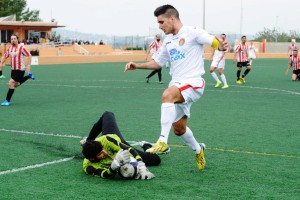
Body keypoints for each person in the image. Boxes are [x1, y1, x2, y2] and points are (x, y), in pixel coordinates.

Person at [124, 5, 228, 171]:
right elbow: (158, 62)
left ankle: (162, 142)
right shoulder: (168, 41)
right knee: (179, 129)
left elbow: (212, 41)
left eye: (161, 22)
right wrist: (137, 66)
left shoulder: (192, 32)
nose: (159, 26)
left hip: (193, 83)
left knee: (167, 95)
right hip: (178, 84)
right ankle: (198, 149)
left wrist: (221, 45)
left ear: (172, 19)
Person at [81, 111, 160, 179]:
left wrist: (141, 165)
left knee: (156, 159)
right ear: (92, 159)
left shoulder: (106, 141)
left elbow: (129, 149)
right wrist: (112, 168)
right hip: (113, 160)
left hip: (118, 143)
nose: (104, 153)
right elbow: (103, 174)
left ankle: (88, 140)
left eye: (103, 150)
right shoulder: (88, 166)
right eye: (100, 154)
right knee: (155, 159)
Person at [0, 34, 35, 106]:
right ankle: (28, 76)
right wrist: (1, 63)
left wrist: (28, 65)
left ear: (17, 40)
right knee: (16, 84)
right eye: (11, 39)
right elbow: (4, 56)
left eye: (14, 39)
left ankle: (7, 101)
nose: (13, 40)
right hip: (13, 69)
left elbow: (29, 55)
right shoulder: (9, 48)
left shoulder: (21, 48)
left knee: (10, 83)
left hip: (20, 69)